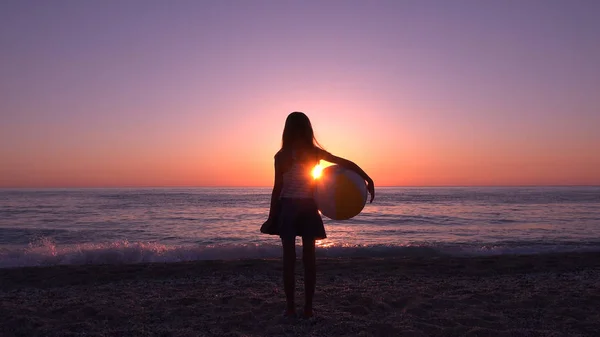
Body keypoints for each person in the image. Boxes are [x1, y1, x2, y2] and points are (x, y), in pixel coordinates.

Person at [263, 111, 375, 319]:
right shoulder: (314, 153)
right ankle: (308, 308)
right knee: (309, 260)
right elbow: (344, 163)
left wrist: (272, 216)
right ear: (308, 129)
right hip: (308, 208)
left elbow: (277, 189)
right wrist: (367, 178)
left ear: (287, 130)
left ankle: (290, 308)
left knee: (289, 260)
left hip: (288, 208)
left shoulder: (281, 156)